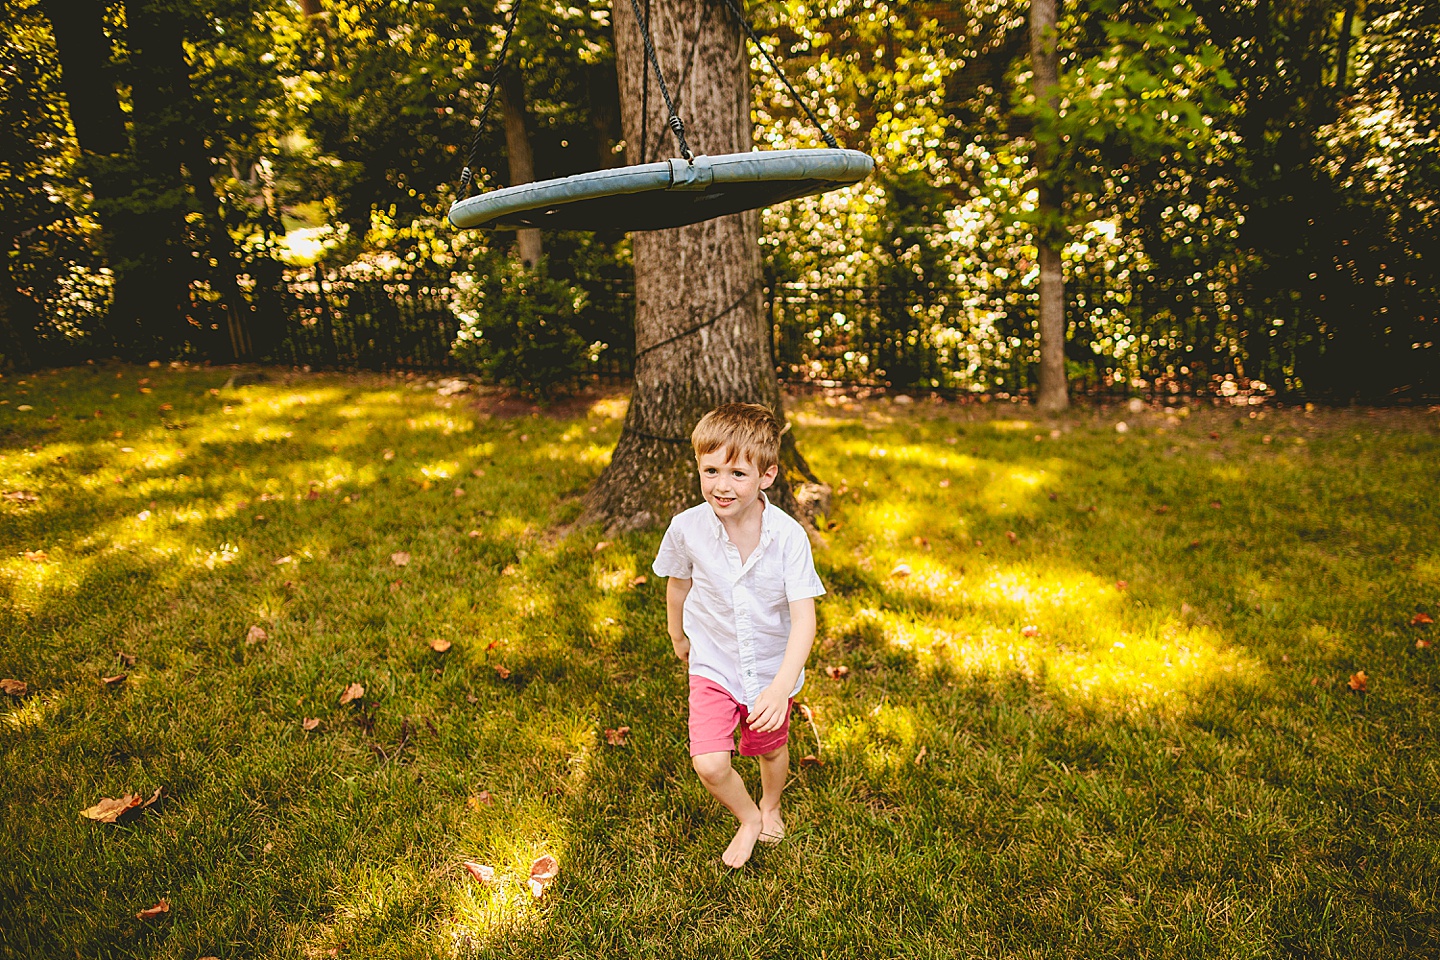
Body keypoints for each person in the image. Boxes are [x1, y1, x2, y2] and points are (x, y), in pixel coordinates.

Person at [652, 402, 825, 868]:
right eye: (710, 470)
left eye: (737, 474)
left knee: (768, 748)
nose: (721, 486)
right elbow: (678, 584)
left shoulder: (788, 537)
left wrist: (781, 684)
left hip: (771, 667)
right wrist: (677, 635)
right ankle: (748, 816)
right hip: (713, 660)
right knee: (709, 762)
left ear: (767, 476)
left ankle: (770, 805)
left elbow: (804, 617)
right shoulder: (686, 528)